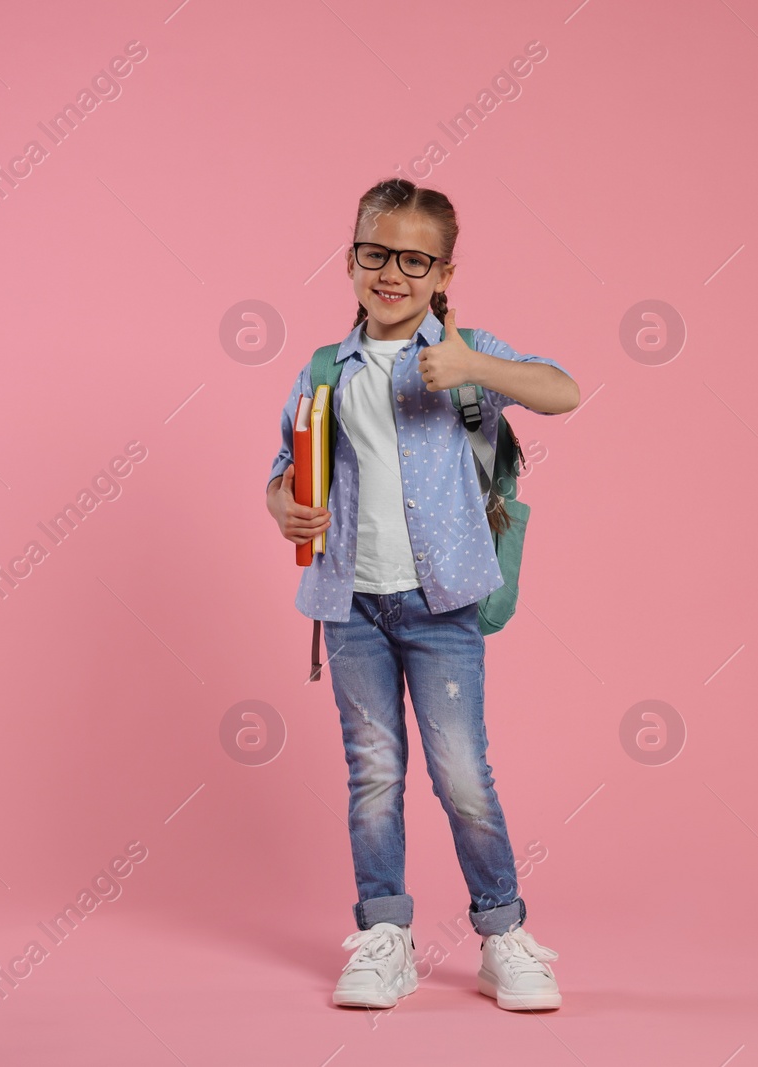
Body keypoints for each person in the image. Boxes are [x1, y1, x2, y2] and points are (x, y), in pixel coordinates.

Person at [264, 178, 579, 1011]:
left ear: (443, 272)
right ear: (351, 260)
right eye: (377, 254)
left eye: (415, 259)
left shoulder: (467, 356)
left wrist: (473, 364)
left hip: (441, 608)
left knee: (462, 773)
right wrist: (282, 502)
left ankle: (503, 933)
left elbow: (564, 390)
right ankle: (384, 936)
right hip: (353, 606)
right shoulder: (326, 369)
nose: (392, 273)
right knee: (372, 775)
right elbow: (281, 471)